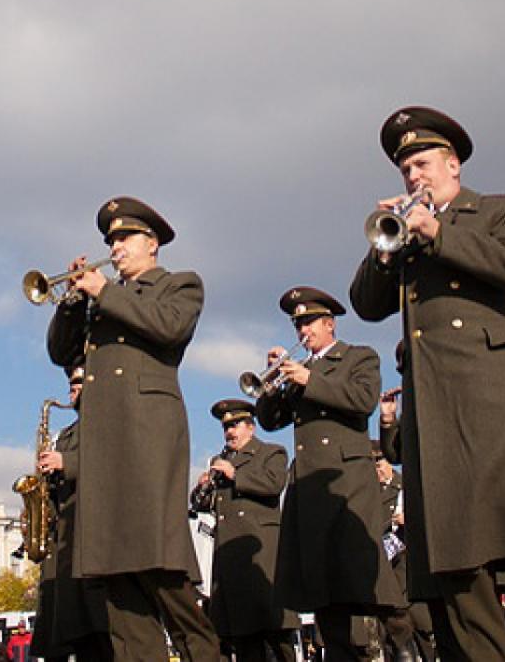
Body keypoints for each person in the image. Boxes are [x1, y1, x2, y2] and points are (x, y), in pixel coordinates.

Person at [349, 106, 505, 662]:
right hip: (435, 403)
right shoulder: (404, 233)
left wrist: (438, 231)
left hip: (495, 390)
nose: (414, 176)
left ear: (453, 164)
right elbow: (364, 304)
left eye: (423, 163)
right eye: (405, 168)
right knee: (458, 548)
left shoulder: (499, 209)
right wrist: (385, 247)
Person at [45, 196, 219, 661]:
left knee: (164, 577)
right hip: (104, 448)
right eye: (111, 240)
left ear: (152, 242)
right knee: (118, 588)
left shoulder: (179, 285)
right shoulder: (101, 303)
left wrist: (105, 292)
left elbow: (169, 327)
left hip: (147, 442)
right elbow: (62, 353)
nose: (115, 247)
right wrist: (69, 304)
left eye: (124, 238)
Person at [255, 286, 404, 660]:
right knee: (324, 590)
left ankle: (405, 646)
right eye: (298, 325)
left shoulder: (358, 357)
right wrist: (272, 384)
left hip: (347, 484)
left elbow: (363, 401)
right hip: (310, 488)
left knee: (369, 581)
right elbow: (271, 422)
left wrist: (310, 380)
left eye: (309, 323)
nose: (303, 331)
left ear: (329, 324)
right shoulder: (299, 371)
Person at [197, 398, 299, 662]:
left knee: (276, 636)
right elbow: (203, 504)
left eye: (235, 425)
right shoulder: (220, 461)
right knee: (243, 637)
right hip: (229, 558)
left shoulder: (271, 452)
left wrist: (235, 475)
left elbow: (274, 484)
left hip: (261, 553)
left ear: (250, 427)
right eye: (225, 427)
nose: (229, 432)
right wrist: (203, 487)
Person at [31, 364, 112, 662]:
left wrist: (68, 462)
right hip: (67, 538)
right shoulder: (67, 433)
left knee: (101, 631)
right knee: (78, 633)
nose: (73, 390)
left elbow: (114, 461)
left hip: (95, 538)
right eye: (71, 385)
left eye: (79, 384)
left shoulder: (109, 421)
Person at [373, 443, 431, 662]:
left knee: (421, 627)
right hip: (386, 567)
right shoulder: (372, 494)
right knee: (390, 631)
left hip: (408, 565)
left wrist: (410, 519)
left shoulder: (404, 488)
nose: (377, 470)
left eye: (380, 464)